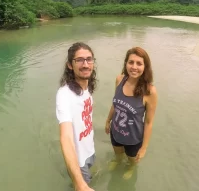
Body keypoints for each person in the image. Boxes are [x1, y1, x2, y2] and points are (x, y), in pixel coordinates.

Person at [105, 46, 158, 180]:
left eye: (139, 63)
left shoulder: (149, 91)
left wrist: (144, 147)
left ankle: (130, 168)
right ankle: (117, 161)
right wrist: (108, 120)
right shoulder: (119, 80)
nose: (134, 67)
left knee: (132, 159)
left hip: (133, 138)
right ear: (126, 64)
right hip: (115, 130)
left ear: (145, 67)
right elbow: (115, 103)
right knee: (118, 154)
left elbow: (149, 122)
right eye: (131, 62)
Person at [56, 42, 98, 191]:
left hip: (89, 150)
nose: (85, 64)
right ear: (69, 65)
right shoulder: (64, 95)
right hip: (78, 161)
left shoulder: (86, 87)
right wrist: (79, 184)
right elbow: (66, 138)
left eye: (89, 59)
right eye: (79, 60)